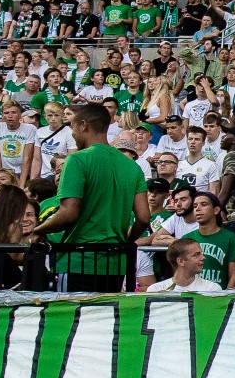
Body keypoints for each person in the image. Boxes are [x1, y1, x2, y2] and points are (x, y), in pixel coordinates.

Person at [33, 102, 151, 291]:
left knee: (73, 311)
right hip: (115, 264)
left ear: (83, 125)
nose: (72, 135)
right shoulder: (132, 167)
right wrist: (126, 241)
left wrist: (38, 230)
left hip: (79, 260)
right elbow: (144, 217)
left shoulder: (77, 160)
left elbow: (69, 213)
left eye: (73, 128)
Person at [147, 235, 224, 294]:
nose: (203, 257)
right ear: (180, 261)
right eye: (196, 254)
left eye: (201, 253)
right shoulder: (156, 290)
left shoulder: (211, 289)